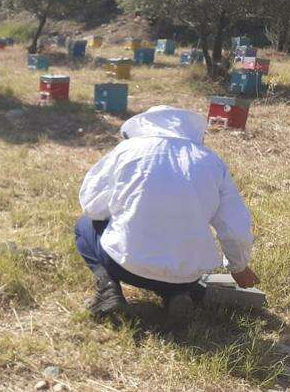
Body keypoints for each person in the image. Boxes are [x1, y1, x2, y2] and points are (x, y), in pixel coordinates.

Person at [76, 106, 257, 322]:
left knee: (84, 225)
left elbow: (92, 206)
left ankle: (108, 290)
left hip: (126, 267)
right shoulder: (211, 161)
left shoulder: (126, 151)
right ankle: (176, 294)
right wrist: (238, 267)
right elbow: (236, 227)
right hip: (189, 276)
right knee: (175, 265)